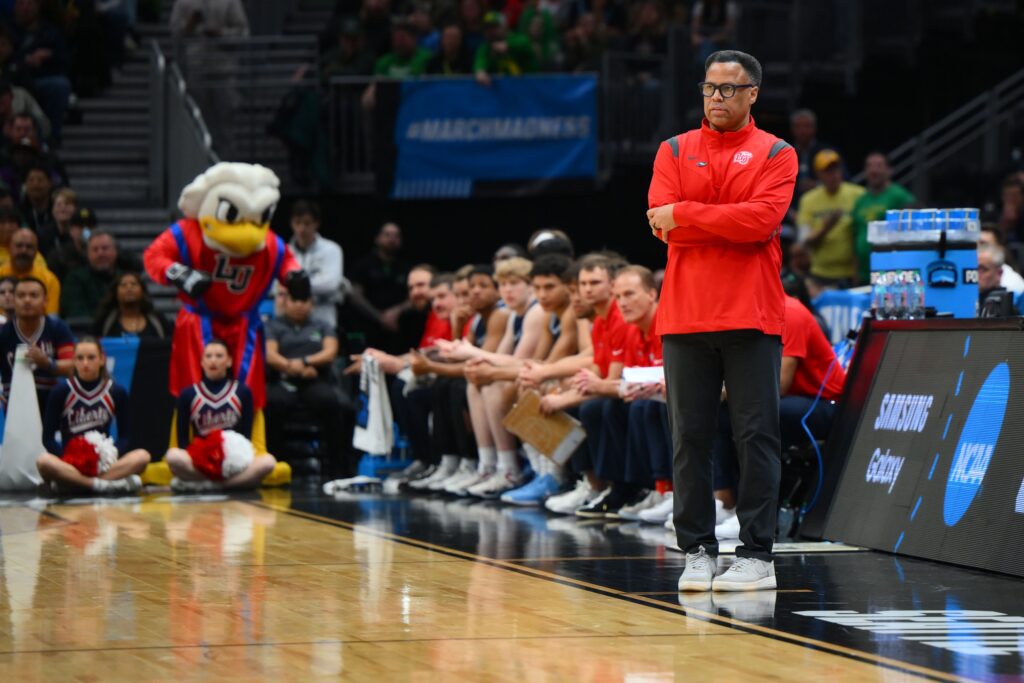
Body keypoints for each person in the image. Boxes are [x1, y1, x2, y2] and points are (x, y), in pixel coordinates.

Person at [646, 50, 798, 592]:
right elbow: (658, 225)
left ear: (752, 93)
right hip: (684, 315)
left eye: (729, 89)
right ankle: (698, 551)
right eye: (709, 88)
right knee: (690, 437)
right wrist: (708, 221)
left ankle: (757, 555)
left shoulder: (777, 153)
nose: (716, 97)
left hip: (752, 313)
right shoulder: (673, 149)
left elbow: (761, 224)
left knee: (755, 435)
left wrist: (687, 213)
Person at [713, 294, 847, 538]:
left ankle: (757, 514)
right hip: (787, 400)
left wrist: (723, 389)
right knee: (717, 412)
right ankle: (724, 500)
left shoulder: (789, 313)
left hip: (825, 403)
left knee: (756, 413)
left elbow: (779, 383)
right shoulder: (743, 315)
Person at [36, 337, 150, 494]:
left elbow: (125, 437)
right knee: (43, 461)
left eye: (91, 357)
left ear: (102, 360)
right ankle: (106, 484)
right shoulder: (61, 391)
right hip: (71, 464)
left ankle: (77, 484)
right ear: (73, 361)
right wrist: (68, 459)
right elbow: (47, 438)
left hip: (103, 464)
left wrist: (108, 457)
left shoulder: (116, 391)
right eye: (80, 358)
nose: (85, 363)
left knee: (142, 456)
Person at [165, 339, 278, 491]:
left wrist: (233, 457)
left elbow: (246, 437)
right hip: (202, 460)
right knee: (173, 456)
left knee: (268, 462)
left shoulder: (242, 392)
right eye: (209, 356)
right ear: (202, 362)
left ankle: (210, 485)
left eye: (219, 356)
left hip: (235, 460)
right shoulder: (188, 394)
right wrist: (201, 456)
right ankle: (231, 484)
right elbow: (183, 441)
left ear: (229, 361)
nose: (213, 361)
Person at [264, 288, 343, 464]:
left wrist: (306, 362)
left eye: (304, 300)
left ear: (312, 304)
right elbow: (270, 354)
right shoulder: (273, 326)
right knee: (271, 403)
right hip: (283, 379)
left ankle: (338, 466)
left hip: (314, 379)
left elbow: (330, 352)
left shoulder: (322, 325)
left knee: (332, 403)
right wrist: (293, 367)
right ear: (286, 302)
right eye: (294, 300)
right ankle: (276, 464)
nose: (299, 304)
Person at [0, 277, 73, 409]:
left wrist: (47, 363)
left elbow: (73, 366)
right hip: (12, 408)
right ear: (14, 301)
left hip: (51, 406)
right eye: (21, 295)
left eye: (33, 295)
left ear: (45, 301)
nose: (27, 300)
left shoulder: (58, 328)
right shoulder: (3, 333)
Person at [797, 149, 865, 287]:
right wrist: (826, 227)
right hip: (820, 276)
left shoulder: (858, 195)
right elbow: (804, 241)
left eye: (835, 169)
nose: (833, 175)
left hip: (851, 276)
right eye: (827, 171)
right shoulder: (808, 200)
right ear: (818, 175)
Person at [850, 152, 915, 284]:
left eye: (879, 166)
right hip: (863, 275)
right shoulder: (860, 201)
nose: (874, 170)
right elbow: (855, 237)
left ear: (889, 170)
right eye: (870, 166)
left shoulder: (900, 197)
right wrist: (854, 273)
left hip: (889, 274)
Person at [288, 200, 343, 328]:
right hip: (290, 320)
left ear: (316, 223)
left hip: (323, 317)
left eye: (307, 223)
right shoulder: (284, 251)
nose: (302, 228)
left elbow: (330, 284)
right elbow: (276, 286)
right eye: (297, 223)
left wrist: (293, 285)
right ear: (291, 223)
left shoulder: (331, 249)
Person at [60, 230, 123, 322]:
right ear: (88, 254)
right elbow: (75, 314)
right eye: (95, 249)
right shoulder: (75, 279)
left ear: (115, 251)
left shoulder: (125, 279)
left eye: (105, 248)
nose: (100, 253)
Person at [93, 271, 170, 339]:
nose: (129, 288)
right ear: (116, 293)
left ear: (142, 291)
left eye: (134, 284)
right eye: (123, 285)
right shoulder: (105, 321)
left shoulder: (157, 320)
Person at [0, 227, 60, 314]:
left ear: (36, 251)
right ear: (10, 248)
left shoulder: (50, 280)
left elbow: (52, 319)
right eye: (19, 246)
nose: (24, 251)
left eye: (29, 247)